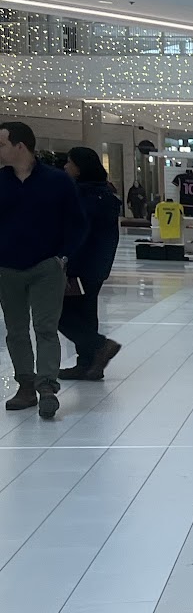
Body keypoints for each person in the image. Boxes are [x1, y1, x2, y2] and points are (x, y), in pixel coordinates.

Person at [0, 122, 85, 419]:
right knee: (16, 330)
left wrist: (63, 256)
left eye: (2, 145)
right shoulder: (1, 181)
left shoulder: (57, 181)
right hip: (7, 268)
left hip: (46, 266)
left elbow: (77, 222)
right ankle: (25, 385)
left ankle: (46, 385)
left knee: (46, 327)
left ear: (20, 146)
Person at [58, 147, 122, 381]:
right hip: (97, 266)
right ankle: (88, 364)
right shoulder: (105, 195)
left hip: (80, 266)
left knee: (60, 313)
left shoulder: (83, 196)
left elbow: (78, 234)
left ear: (80, 168)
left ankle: (99, 345)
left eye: (69, 162)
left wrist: (66, 261)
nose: (65, 166)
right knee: (85, 313)